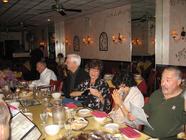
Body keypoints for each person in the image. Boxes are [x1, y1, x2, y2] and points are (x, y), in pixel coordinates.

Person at [129, 66, 186, 139]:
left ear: (178, 82)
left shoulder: (183, 99)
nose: (162, 83)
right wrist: (136, 115)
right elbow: (146, 111)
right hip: (145, 136)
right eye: (162, 79)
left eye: (167, 80)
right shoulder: (156, 94)